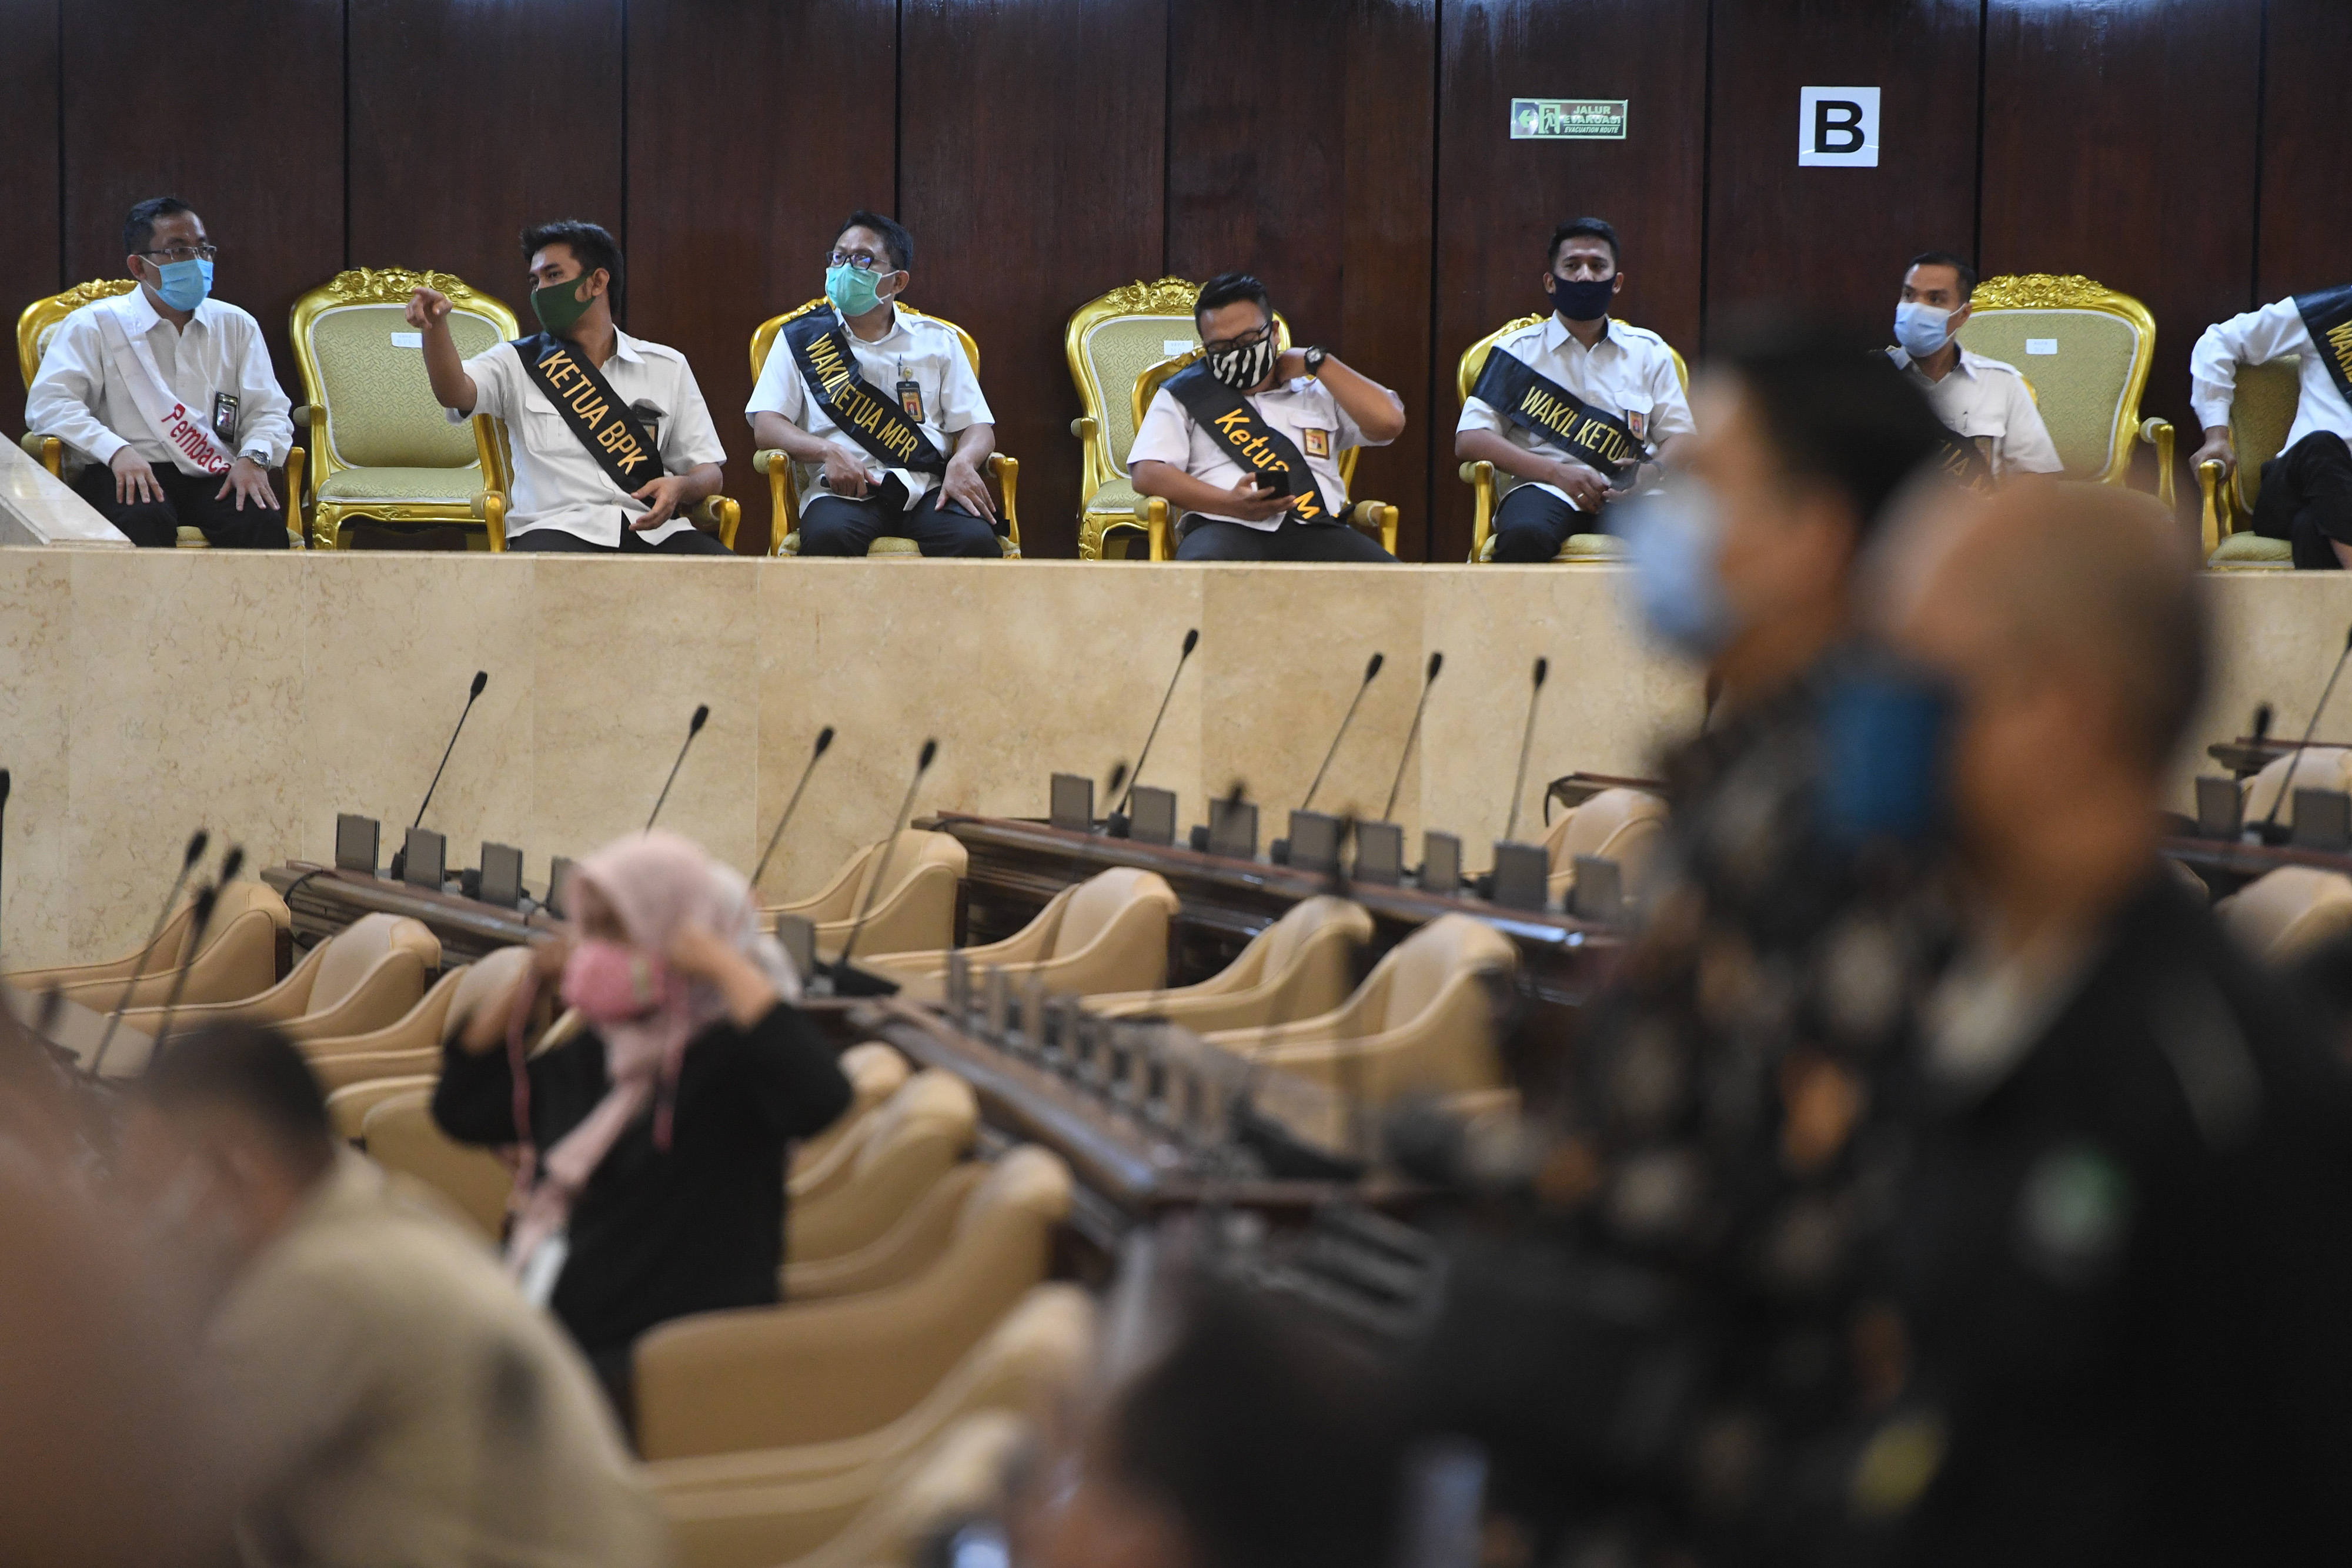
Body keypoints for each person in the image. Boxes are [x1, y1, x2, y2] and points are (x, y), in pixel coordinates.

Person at [1412, 328, 1965, 1566]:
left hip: (1746, 1469)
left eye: (1702, 482)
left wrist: (1515, 1175)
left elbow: (1799, 1190)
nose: (1667, 515)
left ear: (1817, 531)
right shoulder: (1761, 761)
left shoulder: (1857, 796)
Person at [1865, 481, 2352, 1564]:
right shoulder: (1968, 998)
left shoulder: (2220, 1088)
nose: (1870, 716)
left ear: (2062, 708)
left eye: (1914, 678)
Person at [120, 1023, 670, 1567]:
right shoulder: (376, 1209)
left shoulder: (322, 1284)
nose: (141, 1223)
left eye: (148, 1191)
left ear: (236, 1165)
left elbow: (135, 1509)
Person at [433, 830, 851, 1421]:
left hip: (669, 1367)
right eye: (591, 929)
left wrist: (723, 966)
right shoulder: (606, 1050)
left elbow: (822, 1096)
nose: (596, 949)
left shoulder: (731, 1059)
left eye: (616, 930)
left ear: (676, 935)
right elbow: (463, 1107)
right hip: (563, 1337)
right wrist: (533, 982)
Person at [407, 219, 731, 553]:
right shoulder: (517, 361)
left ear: (597, 282)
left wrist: (681, 486)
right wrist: (435, 328)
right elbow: (453, 391)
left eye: (554, 275)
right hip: (555, 530)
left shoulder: (667, 366)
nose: (540, 291)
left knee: (739, 584)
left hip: (652, 532)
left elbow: (708, 472)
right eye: (535, 281)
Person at [24, 196, 293, 549]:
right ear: (138, 267)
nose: (197, 262)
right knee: (143, 522)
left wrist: (254, 458)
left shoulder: (237, 325)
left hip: (212, 469)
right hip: (125, 469)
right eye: (178, 251)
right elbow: (51, 405)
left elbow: (269, 409)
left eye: (203, 249)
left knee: (259, 523)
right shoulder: (94, 325)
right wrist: (115, 451)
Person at [747, 212, 1003, 557]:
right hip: (845, 491)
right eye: (839, 257)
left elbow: (978, 426)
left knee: (974, 541)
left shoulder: (938, 342)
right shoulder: (801, 338)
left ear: (898, 282)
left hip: (927, 488)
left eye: (862, 259)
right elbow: (767, 425)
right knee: (828, 537)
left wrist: (964, 461)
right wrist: (827, 451)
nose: (845, 268)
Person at [1453, 217, 1695, 562]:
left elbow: (1682, 437)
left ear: (1617, 282)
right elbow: (1471, 438)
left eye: (1598, 266)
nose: (1585, 276)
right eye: (1573, 265)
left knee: (1682, 543)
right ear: (1551, 282)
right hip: (1545, 488)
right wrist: (1555, 473)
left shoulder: (1648, 350)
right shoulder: (1516, 351)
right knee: (1524, 537)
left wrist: (1651, 471)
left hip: (1633, 493)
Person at [1129, 273, 1406, 562]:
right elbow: (1147, 472)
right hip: (1223, 526)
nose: (1237, 353)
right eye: (1222, 348)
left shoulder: (1316, 388)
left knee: (1396, 589)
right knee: (1197, 585)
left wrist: (1319, 362)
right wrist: (1231, 504)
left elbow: (1389, 423)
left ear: (1273, 332)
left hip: (1317, 528)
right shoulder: (1188, 392)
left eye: (1248, 339)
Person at [2190, 281, 2352, 569]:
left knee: (2310, 526)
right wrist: (2217, 435)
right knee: (2322, 445)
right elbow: (2217, 342)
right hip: (2291, 489)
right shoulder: (2333, 313)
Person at [1887, 250, 2062, 484]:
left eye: (1935, 299)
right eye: (1909, 296)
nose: (1916, 309)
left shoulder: (2003, 384)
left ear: (1964, 314)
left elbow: (2038, 481)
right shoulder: (1864, 378)